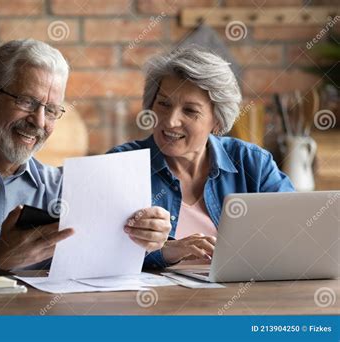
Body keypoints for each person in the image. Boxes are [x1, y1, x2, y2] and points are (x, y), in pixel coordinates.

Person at [0, 39, 171, 276]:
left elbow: (101, 256)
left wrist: (151, 239)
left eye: (51, 110)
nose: (38, 121)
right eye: (26, 102)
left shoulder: (60, 185)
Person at [109, 46, 295, 268]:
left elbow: (294, 234)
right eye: (164, 104)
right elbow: (95, 252)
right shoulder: (120, 166)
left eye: (189, 111)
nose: (170, 121)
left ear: (217, 121)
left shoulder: (252, 163)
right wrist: (165, 252)